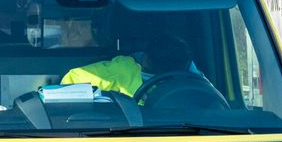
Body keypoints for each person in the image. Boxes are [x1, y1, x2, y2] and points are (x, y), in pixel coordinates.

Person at [60, 33, 195, 96]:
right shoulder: (116, 72)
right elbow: (70, 84)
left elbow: (211, 98)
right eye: (159, 66)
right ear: (146, 57)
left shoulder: (189, 71)